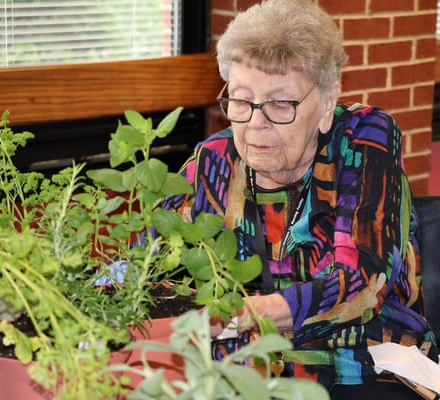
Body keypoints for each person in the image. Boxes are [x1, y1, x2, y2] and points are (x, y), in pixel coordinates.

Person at [162, 0, 438, 398]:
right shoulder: (213, 161)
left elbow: (364, 283)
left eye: (280, 104)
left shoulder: (363, 142)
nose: (256, 122)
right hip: (245, 372)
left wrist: (245, 314)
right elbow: (150, 258)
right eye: (241, 99)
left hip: (360, 363)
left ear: (326, 103)